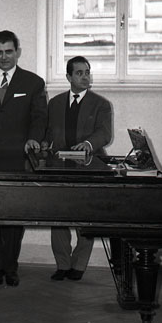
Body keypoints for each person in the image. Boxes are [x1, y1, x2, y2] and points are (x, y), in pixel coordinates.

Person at [0, 30, 47, 287]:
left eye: (9, 52)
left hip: (18, 159)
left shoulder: (33, 83)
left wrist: (33, 139)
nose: (4, 57)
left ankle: (11, 267)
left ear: (18, 52)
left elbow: (39, 118)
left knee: (13, 217)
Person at [43, 56, 112, 281]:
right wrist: (43, 145)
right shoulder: (55, 103)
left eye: (87, 72)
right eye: (79, 73)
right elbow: (47, 133)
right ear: (68, 77)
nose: (85, 77)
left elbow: (105, 133)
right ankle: (62, 264)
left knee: (86, 216)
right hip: (60, 166)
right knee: (58, 217)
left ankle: (79, 265)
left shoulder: (101, 104)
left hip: (89, 165)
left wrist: (88, 144)